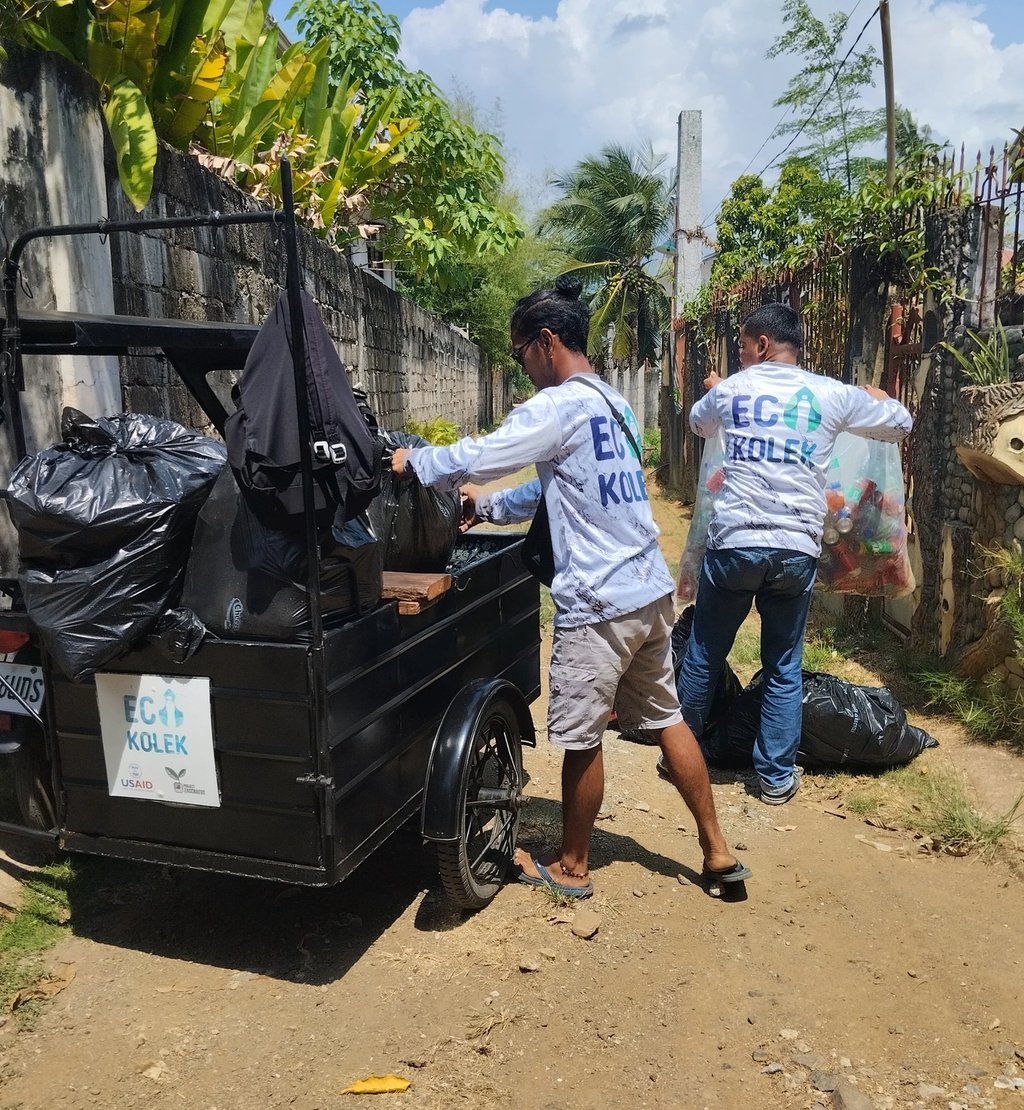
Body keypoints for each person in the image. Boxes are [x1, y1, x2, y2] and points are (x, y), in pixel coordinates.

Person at [390, 275, 749, 899]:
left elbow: (485, 455)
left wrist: (415, 462)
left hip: (600, 602)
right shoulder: (614, 405)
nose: (523, 367)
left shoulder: (556, 406)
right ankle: (718, 852)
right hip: (647, 592)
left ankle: (573, 867)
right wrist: (490, 507)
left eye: (519, 354)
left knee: (582, 740)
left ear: (546, 341)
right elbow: (562, 488)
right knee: (668, 719)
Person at [676, 303, 913, 805]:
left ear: (762, 344)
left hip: (734, 544)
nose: (741, 356)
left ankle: (680, 758)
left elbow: (698, 423)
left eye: (743, 347)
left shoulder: (732, 390)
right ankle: (776, 779)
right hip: (795, 551)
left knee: (705, 651)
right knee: (783, 664)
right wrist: (879, 398)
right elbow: (900, 423)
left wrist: (721, 390)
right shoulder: (831, 394)